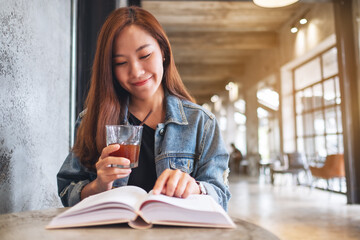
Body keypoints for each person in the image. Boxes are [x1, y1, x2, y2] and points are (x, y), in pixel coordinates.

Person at [57, 6, 230, 211]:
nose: (136, 72)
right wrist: (98, 186)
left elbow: (221, 195)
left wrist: (195, 187)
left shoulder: (201, 123)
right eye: (121, 62)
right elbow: (67, 191)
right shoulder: (92, 121)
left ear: (163, 52)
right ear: (110, 70)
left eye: (145, 55)